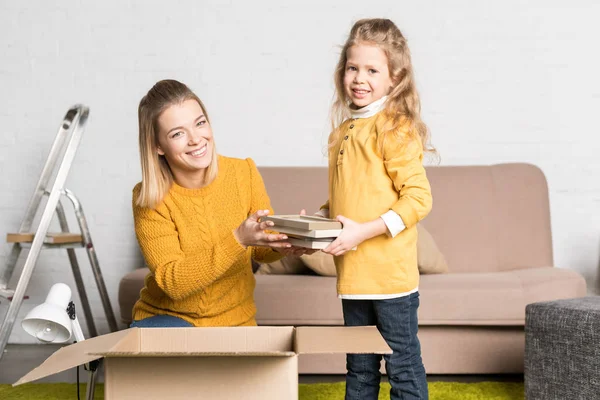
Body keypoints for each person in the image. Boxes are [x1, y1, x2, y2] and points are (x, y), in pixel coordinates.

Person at [318, 19, 434, 400]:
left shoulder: (393, 129)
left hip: (390, 281)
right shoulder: (343, 132)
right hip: (353, 278)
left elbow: (418, 198)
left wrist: (360, 232)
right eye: (353, 68)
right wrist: (316, 222)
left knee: (401, 365)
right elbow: (349, 198)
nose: (359, 78)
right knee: (360, 370)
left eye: (372, 70)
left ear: (393, 78)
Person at [130, 79, 308, 328]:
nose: (195, 139)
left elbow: (260, 247)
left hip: (236, 322)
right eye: (178, 133)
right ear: (158, 146)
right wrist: (237, 239)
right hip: (171, 320)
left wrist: (288, 241)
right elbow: (173, 282)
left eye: (200, 123)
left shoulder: (242, 172)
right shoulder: (148, 197)